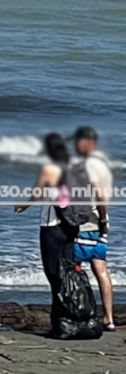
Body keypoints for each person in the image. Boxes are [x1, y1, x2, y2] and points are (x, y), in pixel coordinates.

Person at [15, 133, 75, 307]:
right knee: (69, 270)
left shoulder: (49, 168)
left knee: (53, 272)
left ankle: (60, 316)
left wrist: (23, 205)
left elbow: (36, 194)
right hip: (71, 225)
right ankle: (71, 311)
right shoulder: (74, 168)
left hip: (52, 225)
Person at [71, 125, 114, 330]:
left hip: (89, 223)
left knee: (75, 267)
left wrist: (102, 219)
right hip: (101, 222)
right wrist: (105, 221)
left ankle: (79, 312)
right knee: (101, 270)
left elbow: (99, 195)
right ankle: (109, 318)